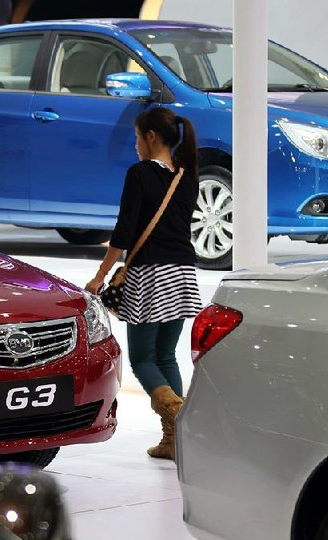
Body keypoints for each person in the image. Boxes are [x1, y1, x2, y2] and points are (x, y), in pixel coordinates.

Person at [86, 107, 202, 461]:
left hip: (151, 274)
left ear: (151, 137)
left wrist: (100, 276)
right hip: (183, 273)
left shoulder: (139, 174)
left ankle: (177, 415)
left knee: (141, 358)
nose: (135, 145)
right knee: (166, 354)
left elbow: (124, 233)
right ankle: (175, 439)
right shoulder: (187, 176)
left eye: (137, 137)